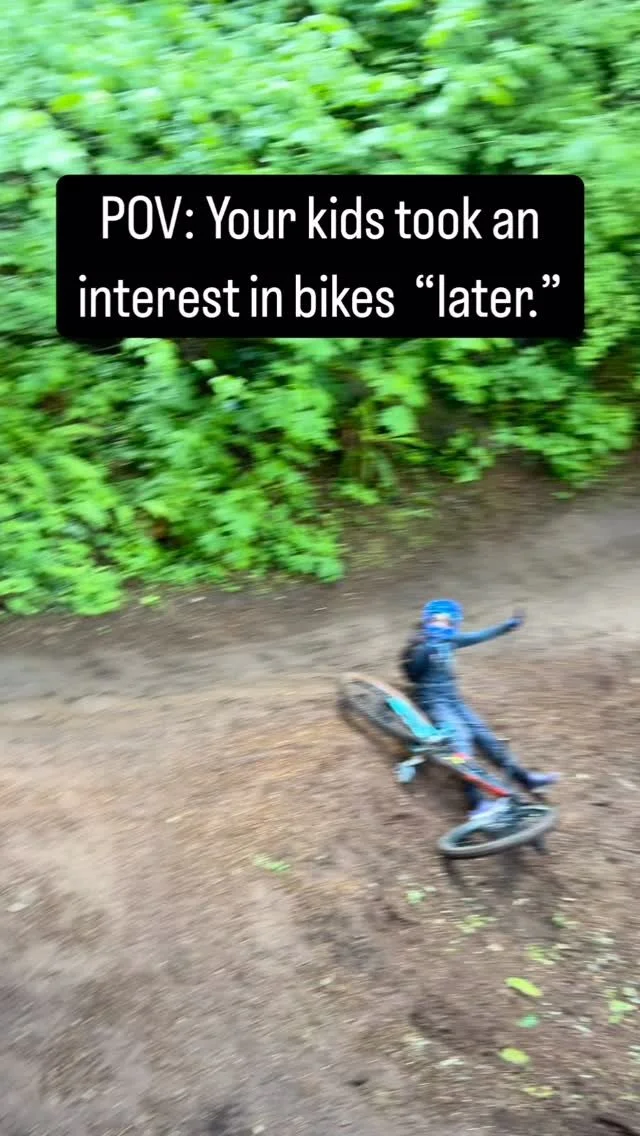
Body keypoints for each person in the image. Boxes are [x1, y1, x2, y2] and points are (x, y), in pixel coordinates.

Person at [398, 599, 559, 821]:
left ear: (453, 624)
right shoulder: (423, 644)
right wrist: (425, 650)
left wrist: (507, 626)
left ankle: (526, 778)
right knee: (461, 741)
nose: (441, 625)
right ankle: (476, 803)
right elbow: (413, 675)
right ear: (428, 621)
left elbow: (479, 636)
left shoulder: (450, 641)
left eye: (446, 621)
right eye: (437, 620)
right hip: (433, 699)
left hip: (453, 699)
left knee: (487, 738)